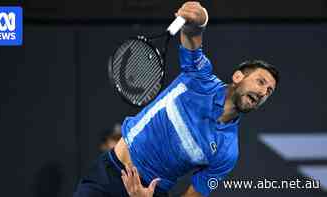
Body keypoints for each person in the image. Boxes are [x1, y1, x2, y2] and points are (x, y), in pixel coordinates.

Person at [74, 1, 279, 197]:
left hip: (151, 192)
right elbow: (192, 33)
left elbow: (194, 194)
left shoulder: (228, 153)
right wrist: (201, 20)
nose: (263, 92)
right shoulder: (199, 78)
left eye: (269, 91)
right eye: (260, 82)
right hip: (110, 174)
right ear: (237, 77)